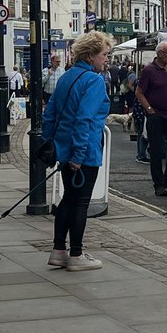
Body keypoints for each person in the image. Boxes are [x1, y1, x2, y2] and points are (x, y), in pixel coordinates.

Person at [41, 30, 114, 271]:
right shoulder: (93, 80)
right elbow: (85, 119)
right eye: (104, 54)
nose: (107, 59)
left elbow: (49, 114)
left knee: (68, 200)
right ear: (92, 55)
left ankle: (59, 250)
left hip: (63, 149)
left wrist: (51, 142)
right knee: (80, 203)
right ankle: (76, 254)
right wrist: (79, 155)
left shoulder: (66, 77)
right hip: (83, 152)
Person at [136, 41, 167, 196]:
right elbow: (139, 92)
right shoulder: (149, 70)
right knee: (156, 151)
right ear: (160, 54)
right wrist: (149, 109)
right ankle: (159, 184)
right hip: (156, 116)